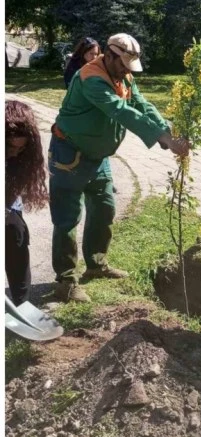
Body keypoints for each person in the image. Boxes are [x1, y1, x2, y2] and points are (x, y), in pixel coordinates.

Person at [49, 33, 189, 302]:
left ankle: (96, 265)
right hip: (69, 154)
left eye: (129, 66)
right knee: (67, 217)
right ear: (109, 55)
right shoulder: (90, 77)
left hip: (97, 156)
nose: (127, 71)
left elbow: (141, 105)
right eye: (122, 64)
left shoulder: (123, 75)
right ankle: (66, 280)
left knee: (104, 208)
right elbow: (121, 111)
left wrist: (165, 132)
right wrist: (164, 139)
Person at [6, 101, 48, 306]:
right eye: (11, 147)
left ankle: (22, 304)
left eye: (20, 149)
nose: (15, 153)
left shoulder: (23, 158)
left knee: (16, 233)